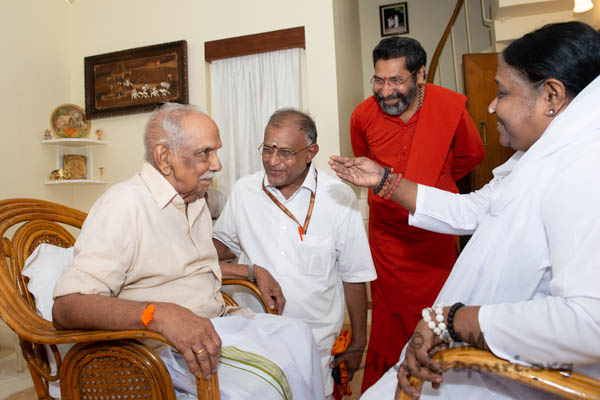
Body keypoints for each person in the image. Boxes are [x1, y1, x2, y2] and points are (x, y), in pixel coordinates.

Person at [330, 21, 600, 399]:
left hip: (507, 371)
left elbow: (589, 322)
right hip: (474, 345)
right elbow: (474, 210)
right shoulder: (537, 159)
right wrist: (385, 180)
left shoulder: (584, 171)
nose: (492, 106)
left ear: (551, 96)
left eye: (502, 92)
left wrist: (452, 320)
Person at [52, 103, 325, 400]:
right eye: (205, 153)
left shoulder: (194, 200)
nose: (217, 164)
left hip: (215, 324)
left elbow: (188, 267)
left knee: (299, 337)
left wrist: (251, 270)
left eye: (216, 151)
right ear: (164, 158)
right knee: (264, 387)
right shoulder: (125, 204)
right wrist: (157, 315)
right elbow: (66, 307)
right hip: (161, 350)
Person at [350, 36, 485, 391]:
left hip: (434, 239)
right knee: (389, 323)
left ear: (420, 75)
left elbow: (471, 155)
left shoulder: (449, 107)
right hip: (388, 241)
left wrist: (435, 183)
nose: (385, 91)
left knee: (437, 315)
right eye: (379, 80)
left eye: (396, 80)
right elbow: (366, 162)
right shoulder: (362, 115)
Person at [212, 108, 377, 398]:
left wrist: (358, 344)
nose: (273, 161)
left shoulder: (338, 197)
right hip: (253, 339)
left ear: (311, 152)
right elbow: (223, 244)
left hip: (315, 345)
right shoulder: (245, 191)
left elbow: (354, 276)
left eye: (286, 152)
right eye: (267, 149)